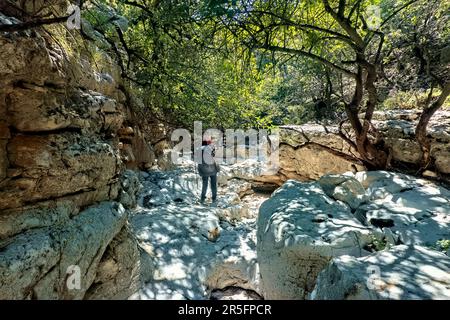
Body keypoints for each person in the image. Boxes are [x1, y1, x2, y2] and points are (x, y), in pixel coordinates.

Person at [197, 138, 220, 204]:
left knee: (205, 184)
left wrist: (199, 170)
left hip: (204, 170)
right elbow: (214, 157)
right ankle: (214, 199)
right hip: (212, 169)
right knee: (213, 185)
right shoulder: (211, 148)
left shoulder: (199, 149)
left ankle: (202, 198)